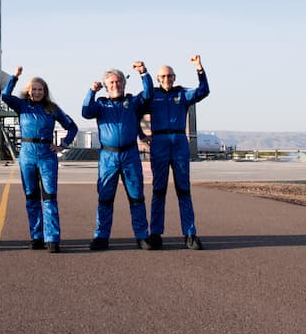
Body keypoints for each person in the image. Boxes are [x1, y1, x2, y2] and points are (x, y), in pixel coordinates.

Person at [0, 66, 78, 253]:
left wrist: (62, 145)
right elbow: (5, 96)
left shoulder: (52, 109)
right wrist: (14, 77)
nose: (36, 92)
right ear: (28, 91)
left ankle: (52, 238)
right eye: (33, 89)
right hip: (27, 155)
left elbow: (72, 127)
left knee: (49, 197)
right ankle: (36, 237)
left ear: (45, 92)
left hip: (46, 156)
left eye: (40, 89)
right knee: (31, 197)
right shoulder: (22, 106)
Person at [81, 62, 155, 250]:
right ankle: (101, 236)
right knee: (105, 198)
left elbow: (148, 94)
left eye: (118, 81)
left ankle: (142, 235)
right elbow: (85, 112)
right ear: (106, 86)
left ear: (124, 83)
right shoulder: (101, 105)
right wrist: (92, 92)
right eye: (112, 83)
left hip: (130, 155)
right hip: (108, 156)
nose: (116, 85)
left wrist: (144, 73)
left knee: (136, 197)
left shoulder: (132, 103)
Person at [147, 55, 210, 250]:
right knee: (159, 190)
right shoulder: (152, 95)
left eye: (170, 76)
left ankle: (190, 234)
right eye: (163, 76)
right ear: (158, 78)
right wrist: (141, 134)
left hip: (179, 143)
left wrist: (199, 68)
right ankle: (155, 234)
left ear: (174, 77)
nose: (166, 79)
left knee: (183, 190)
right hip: (159, 143)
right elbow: (133, 111)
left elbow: (203, 91)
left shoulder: (182, 94)